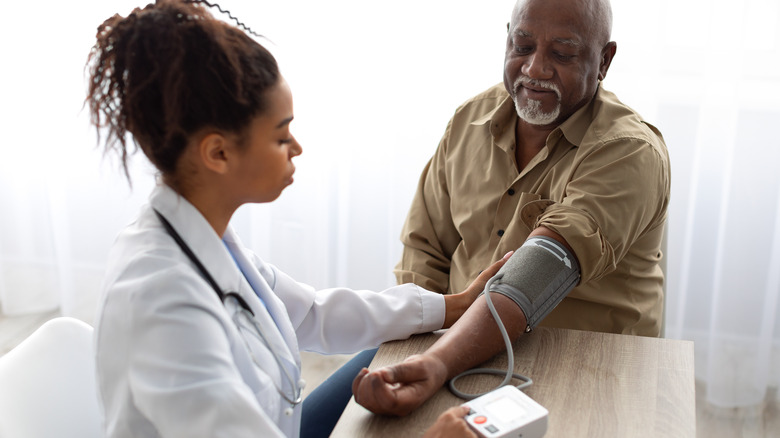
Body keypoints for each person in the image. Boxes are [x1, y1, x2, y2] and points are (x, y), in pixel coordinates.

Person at [85, 1, 509, 437]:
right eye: (281, 135)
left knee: (392, 356)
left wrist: (452, 306)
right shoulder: (162, 303)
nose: (297, 148)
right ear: (219, 153)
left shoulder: (204, 238)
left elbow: (312, 314)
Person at [353, 0, 670, 428]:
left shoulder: (629, 151)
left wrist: (435, 363)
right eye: (522, 45)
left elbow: (538, 272)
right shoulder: (470, 119)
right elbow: (424, 247)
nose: (535, 69)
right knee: (321, 424)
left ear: (604, 61)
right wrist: (414, 350)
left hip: (584, 366)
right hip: (448, 343)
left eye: (562, 54)